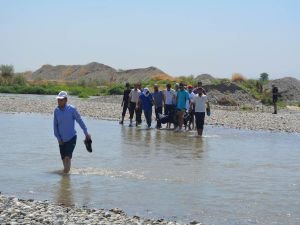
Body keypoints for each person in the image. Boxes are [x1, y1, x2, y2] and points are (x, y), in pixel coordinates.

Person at [53, 91, 91, 174]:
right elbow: (55, 126)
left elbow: (80, 121)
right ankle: (66, 180)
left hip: (71, 138)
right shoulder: (56, 111)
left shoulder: (72, 109)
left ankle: (65, 177)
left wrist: (86, 133)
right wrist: (58, 138)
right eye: (58, 100)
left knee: (67, 158)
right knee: (63, 160)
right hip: (61, 140)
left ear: (66, 100)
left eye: (61, 100)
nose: (59, 101)